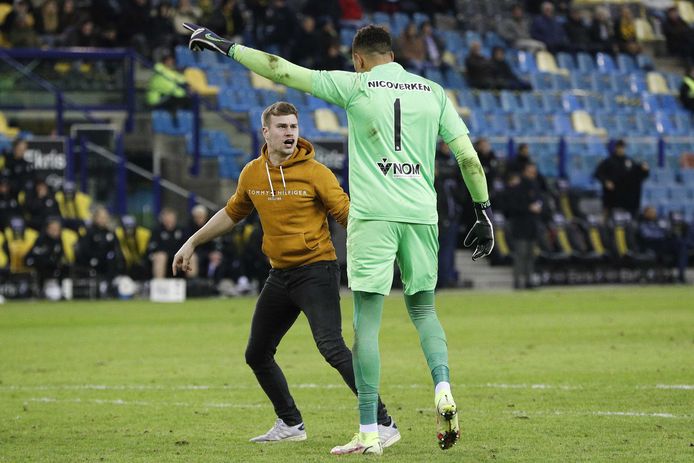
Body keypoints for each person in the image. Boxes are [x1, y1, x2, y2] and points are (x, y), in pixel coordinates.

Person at [183, 22, 493, 454]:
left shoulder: (355, 86)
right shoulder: (434, 92)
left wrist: (225, 46)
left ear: (359, 59)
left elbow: (281, 70)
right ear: (392, 53)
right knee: (423, 309)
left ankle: (370, 430)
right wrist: (482, 210)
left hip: (372, 220)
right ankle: (442, 386)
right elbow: (468, 158)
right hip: (422, 216)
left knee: (367, 324)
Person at [172, 101, 399, 447]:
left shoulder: (316, 173)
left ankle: (383, 423)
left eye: (293, 126)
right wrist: (191, 243)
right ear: (266, 132)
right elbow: (233, 212)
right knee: (256, 354)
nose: (290, 133)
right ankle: (291, 424)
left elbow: (346, 213)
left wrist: (382, 242)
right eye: (282, 127)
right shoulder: (252, 173)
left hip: (316, 270)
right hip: (280, 275)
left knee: (332, 347)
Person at [505, 163, 543, 289]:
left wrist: (539, 207)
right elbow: (512, 207)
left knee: (531, 255)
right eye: (531, 172)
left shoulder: (535, 186)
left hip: (532, 226)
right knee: (521, 254)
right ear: (525, 172)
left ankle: (529, 280)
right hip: (520, 226)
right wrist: (528, 208)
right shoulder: (518, 188)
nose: (533, 175)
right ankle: (517, 281)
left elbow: (540, 201)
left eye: (534, 172)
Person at [594, 139, 649, 218]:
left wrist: (643, 170)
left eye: (622, 147)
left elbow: (636, 174)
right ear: (616, 148)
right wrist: (606, 181)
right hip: (612, 196)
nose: (621, 149)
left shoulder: (628, 161)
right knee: (608, 215)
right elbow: (598, 173)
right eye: (619, 147)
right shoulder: (608, 161)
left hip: (626, 197)